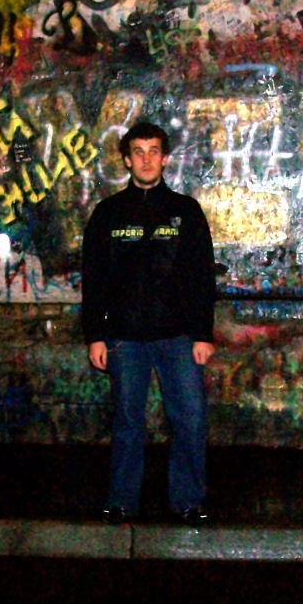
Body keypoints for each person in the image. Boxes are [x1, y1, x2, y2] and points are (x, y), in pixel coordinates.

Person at [81, 121, 217, 527]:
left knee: (190, 418)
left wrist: (203, 334)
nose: (145, 159)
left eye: (153, 151)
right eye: (138, 152)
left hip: (178, 337)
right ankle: (121, 501)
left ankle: (188, 501)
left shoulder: (186, 212)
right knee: (127, 421)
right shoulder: (107, 214)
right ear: (126, 160)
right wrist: (95, 336)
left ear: (165, 158)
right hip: (124, 339)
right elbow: (94, 279)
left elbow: (202, 277)